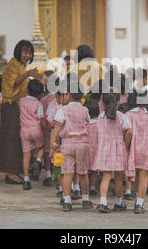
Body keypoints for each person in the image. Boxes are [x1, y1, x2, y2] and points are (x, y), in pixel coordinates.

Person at [0, 40, 39, 184]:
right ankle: (10, 173)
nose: (28, 55)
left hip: (18, 106)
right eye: (25, 52)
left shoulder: (20, 66)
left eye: (30, 53)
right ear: (18, 51)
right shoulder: (13, 65)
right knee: (12, 139)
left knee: (17, 140)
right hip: (11, 105)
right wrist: (27, 74)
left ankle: (14, 171)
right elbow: (13, 83)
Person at [52, 79, 93, 212]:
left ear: (68, 95)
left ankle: (67, 201)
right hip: (82, 144)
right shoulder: (85, 109)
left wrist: (54, 141)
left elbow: (58, 125)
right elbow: (89, 124)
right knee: (83, 173)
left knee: (67, 173)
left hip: (67, 144)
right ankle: (86, 200)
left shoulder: (63, 109)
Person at [93, 92, 132, 213]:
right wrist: (125, 144)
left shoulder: (100, 117)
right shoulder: (121, 116)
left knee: (106, 176)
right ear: (118, 102)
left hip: (104, 147)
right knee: (119, 178)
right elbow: (129, 132)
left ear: (103, 103)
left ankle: (103, 203)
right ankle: (118, 202)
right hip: (119, 148)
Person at [125, 90, 148, 214]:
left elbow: (128, 132)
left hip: (134, 148)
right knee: (144, 176)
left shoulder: (129, 114)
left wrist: (126, 144)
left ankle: (133, 194)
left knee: (134, 174)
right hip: (147, 147)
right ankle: (139, 204)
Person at [19, 79, 48, 190]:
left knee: (26, 155)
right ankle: (38, 160)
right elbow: (41, 119)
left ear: (27, 89)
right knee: (41, 146)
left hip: (24, 131)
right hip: (36, 129)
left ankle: (26, 180)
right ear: (40, 92)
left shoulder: (21, 101)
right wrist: (46, 127)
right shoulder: (38, 104)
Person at [40, 70, 57, 186]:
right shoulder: (62, 97)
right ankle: (57, 175)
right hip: (58, 129)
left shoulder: (43, 100)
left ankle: (48, 174)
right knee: (57, 151)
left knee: (47, 151)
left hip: (47, 128)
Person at [85, 98, 100, 196]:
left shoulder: (84, 124)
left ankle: (83, 187)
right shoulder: (100, 124)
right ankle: (93, 187)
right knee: (94, 171)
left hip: (85, 149)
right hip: (96, 150)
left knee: (84, 171)